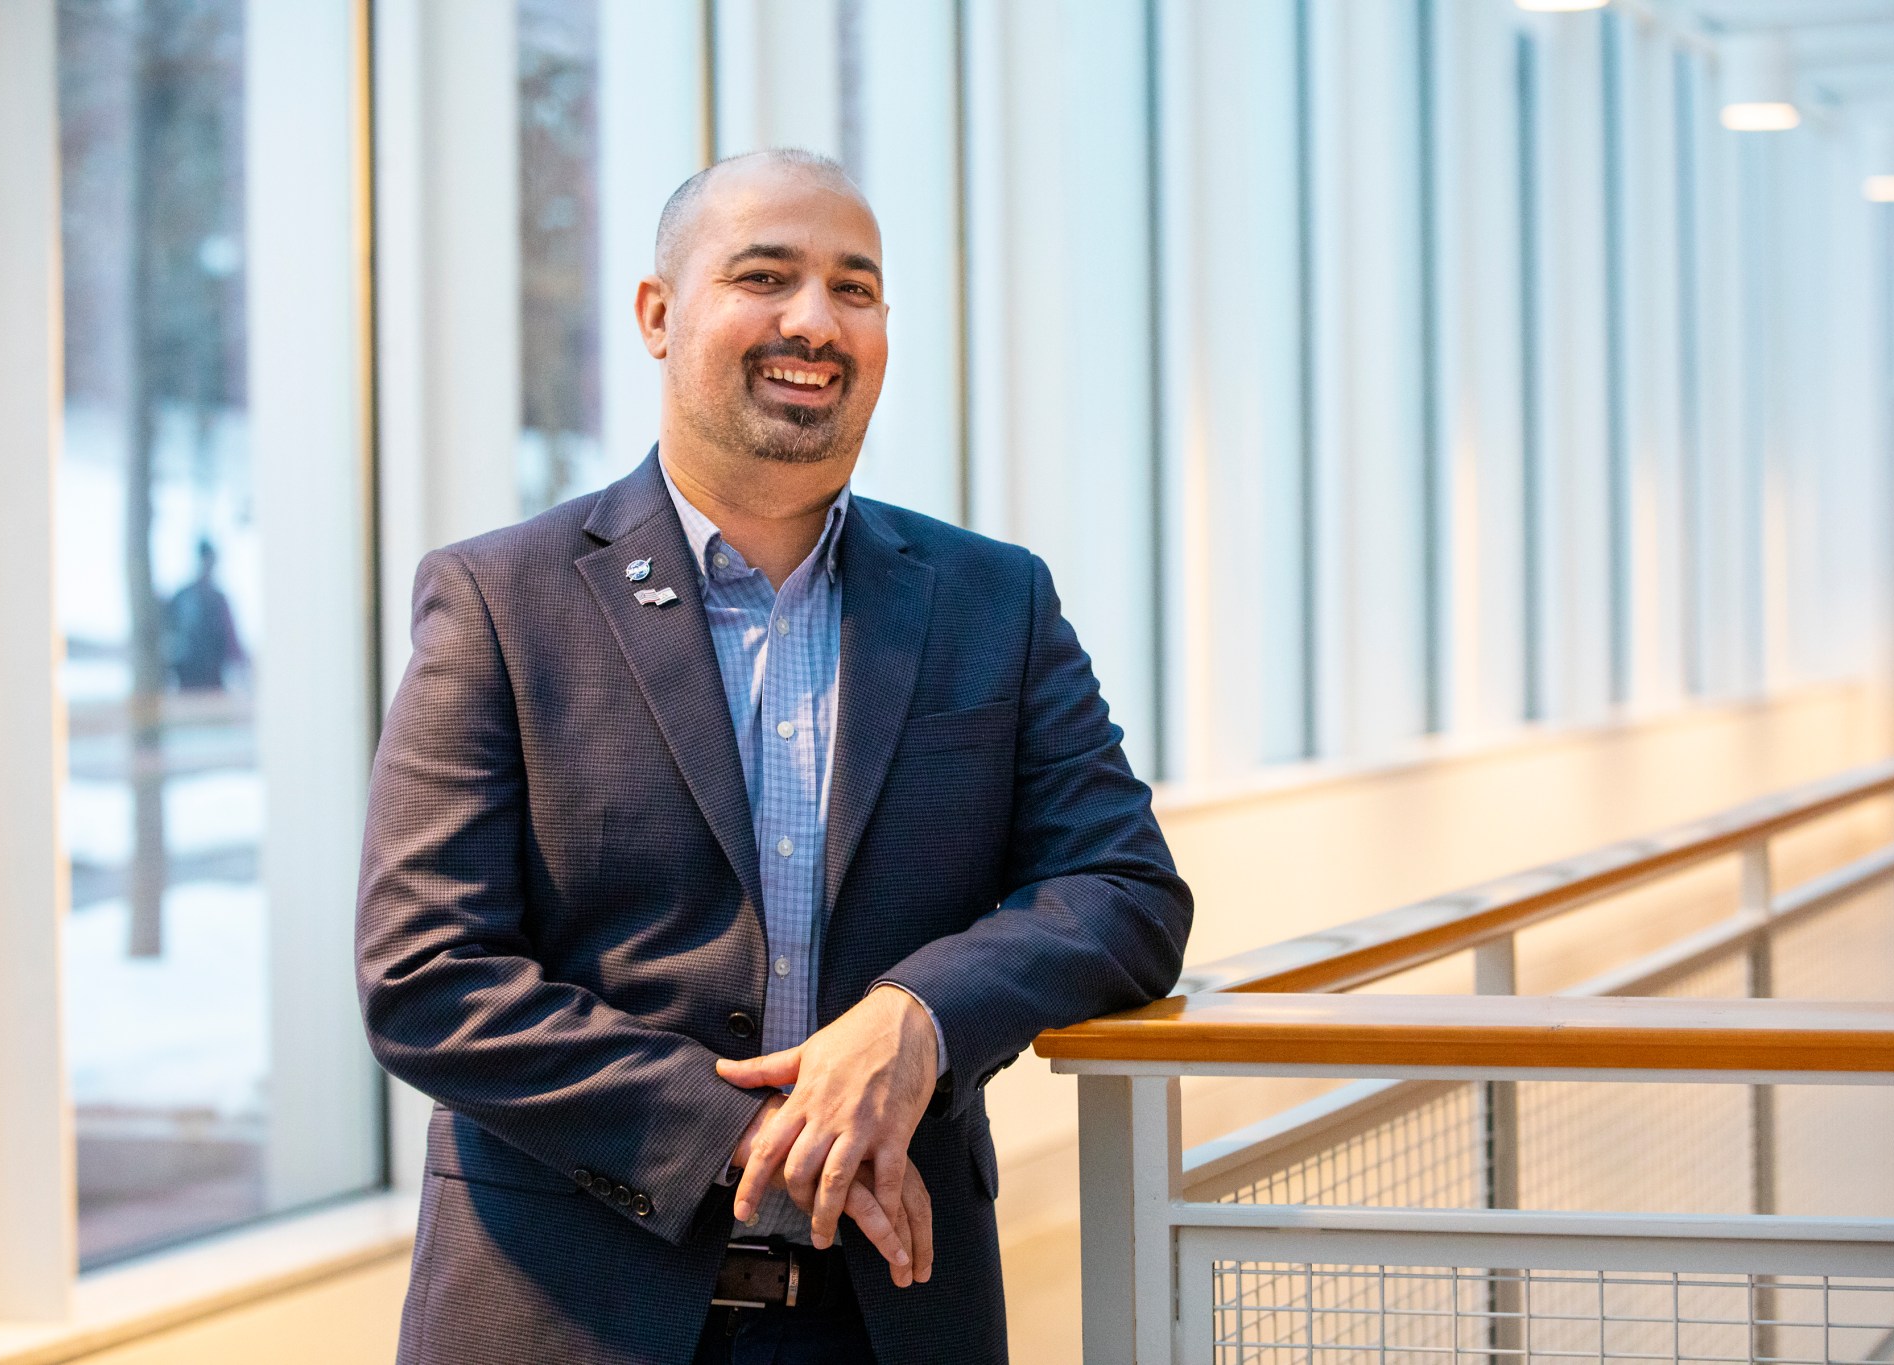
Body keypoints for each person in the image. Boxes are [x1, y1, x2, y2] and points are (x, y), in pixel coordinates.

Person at [355, 148, 1192, 1365]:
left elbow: (1125, 890)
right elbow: (427, 973)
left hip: (890, 1319)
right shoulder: (499, 599)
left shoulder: (990, 602)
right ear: (658, 313)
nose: (814, 320)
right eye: (765, 275)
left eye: (854, 289)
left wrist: (916, 1018)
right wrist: (760, 1141)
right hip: (566, 1315)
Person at [165, 538, 246, 690]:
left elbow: (231, 639)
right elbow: (170, 636)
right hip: (187, 679)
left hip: (211, 680)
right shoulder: (184, 597)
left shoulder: (217, 599)